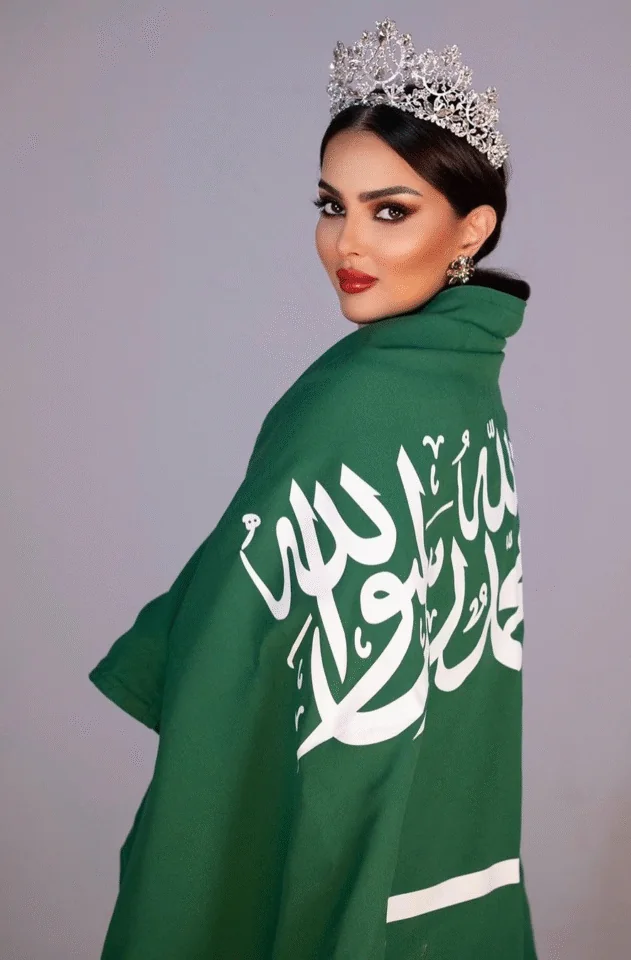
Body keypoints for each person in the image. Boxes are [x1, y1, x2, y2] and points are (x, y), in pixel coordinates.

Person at [89, 17, 538, 959]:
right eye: (332, 205)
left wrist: (173, 641)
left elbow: (238, 618)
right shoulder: (467, 381)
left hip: (349, 815)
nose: (346, 244)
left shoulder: (360, 394)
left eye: (390, 211)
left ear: (473, 227)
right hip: (442, 831)